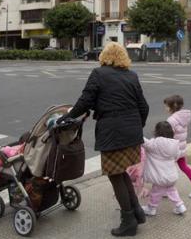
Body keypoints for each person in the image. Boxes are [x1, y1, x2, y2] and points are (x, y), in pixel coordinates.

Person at [60, 42, 149, 237]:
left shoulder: (99, 74)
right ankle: (137, 212)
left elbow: (85, 101)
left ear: (105, 56)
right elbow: (144, 107)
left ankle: (128, 222)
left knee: (114, 174)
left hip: (113, 133)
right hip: (131, 133)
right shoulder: (131, 76)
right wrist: (136, 127)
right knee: (121, 172)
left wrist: (68, 116)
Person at [164, 95, 191, 198]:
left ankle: (166, 190)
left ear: (172, 106)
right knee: (184, 167)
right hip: (181, 147)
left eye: (166, 106)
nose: (165, 108)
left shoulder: (171, 120)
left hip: (173, 149)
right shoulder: (184, 117)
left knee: (166, 168)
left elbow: (168, 136)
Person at [141, 121, 186, 216]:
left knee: (155, 192)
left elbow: (144, 143)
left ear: (156, 132)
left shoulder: (155, 143)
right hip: (172, 176)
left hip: (160, 177)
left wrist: (137, 133)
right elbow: (177, 156)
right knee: (172, 190)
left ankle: (151, 208)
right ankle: (180, 205)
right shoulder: (175, 144)